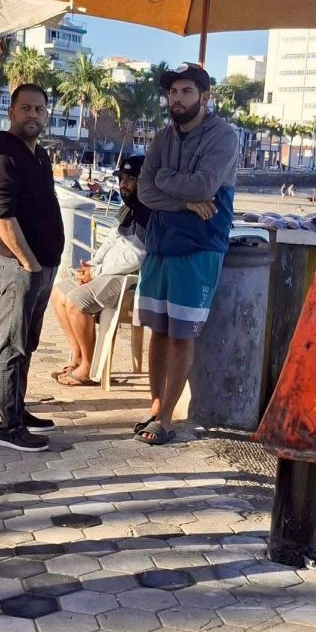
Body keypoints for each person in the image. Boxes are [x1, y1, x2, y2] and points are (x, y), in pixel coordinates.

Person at [134, 62, 238, 445]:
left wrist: (165, 180)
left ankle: (165, 420)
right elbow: (144, 192)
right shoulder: (163, 137)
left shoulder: (223, 137)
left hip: (199, 246)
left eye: (186, 92)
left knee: (181, 334)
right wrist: (185, 202)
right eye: (173, 92)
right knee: (157, 331)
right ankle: (155, 406)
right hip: (160, 243)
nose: (177, 99)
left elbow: (206, 184)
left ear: (205, 97)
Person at [0, 83, 65, 452]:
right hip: (20, 267)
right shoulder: (2, 149)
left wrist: (46, 262)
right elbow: (1, 213)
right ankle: (9, 427)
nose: (33, 115)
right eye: (26, 108)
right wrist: (28, 261)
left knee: (27, 342)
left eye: (39, 109)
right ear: (12, 112)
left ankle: (18, 409)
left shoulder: (40, 155)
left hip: (44, 266)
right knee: (12, 345)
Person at [50, 155, 150, 386]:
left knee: (76, 302)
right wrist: (93, 266)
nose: (123, 183)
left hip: (128, 280)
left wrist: (96, 273)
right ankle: (76, 356)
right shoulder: (128, 208)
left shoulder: (149, 212)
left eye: (130, 179)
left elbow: (137, 256)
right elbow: (110, 242)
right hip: (106, 273)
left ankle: (89, 367)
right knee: (58, 293)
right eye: (122, 178)